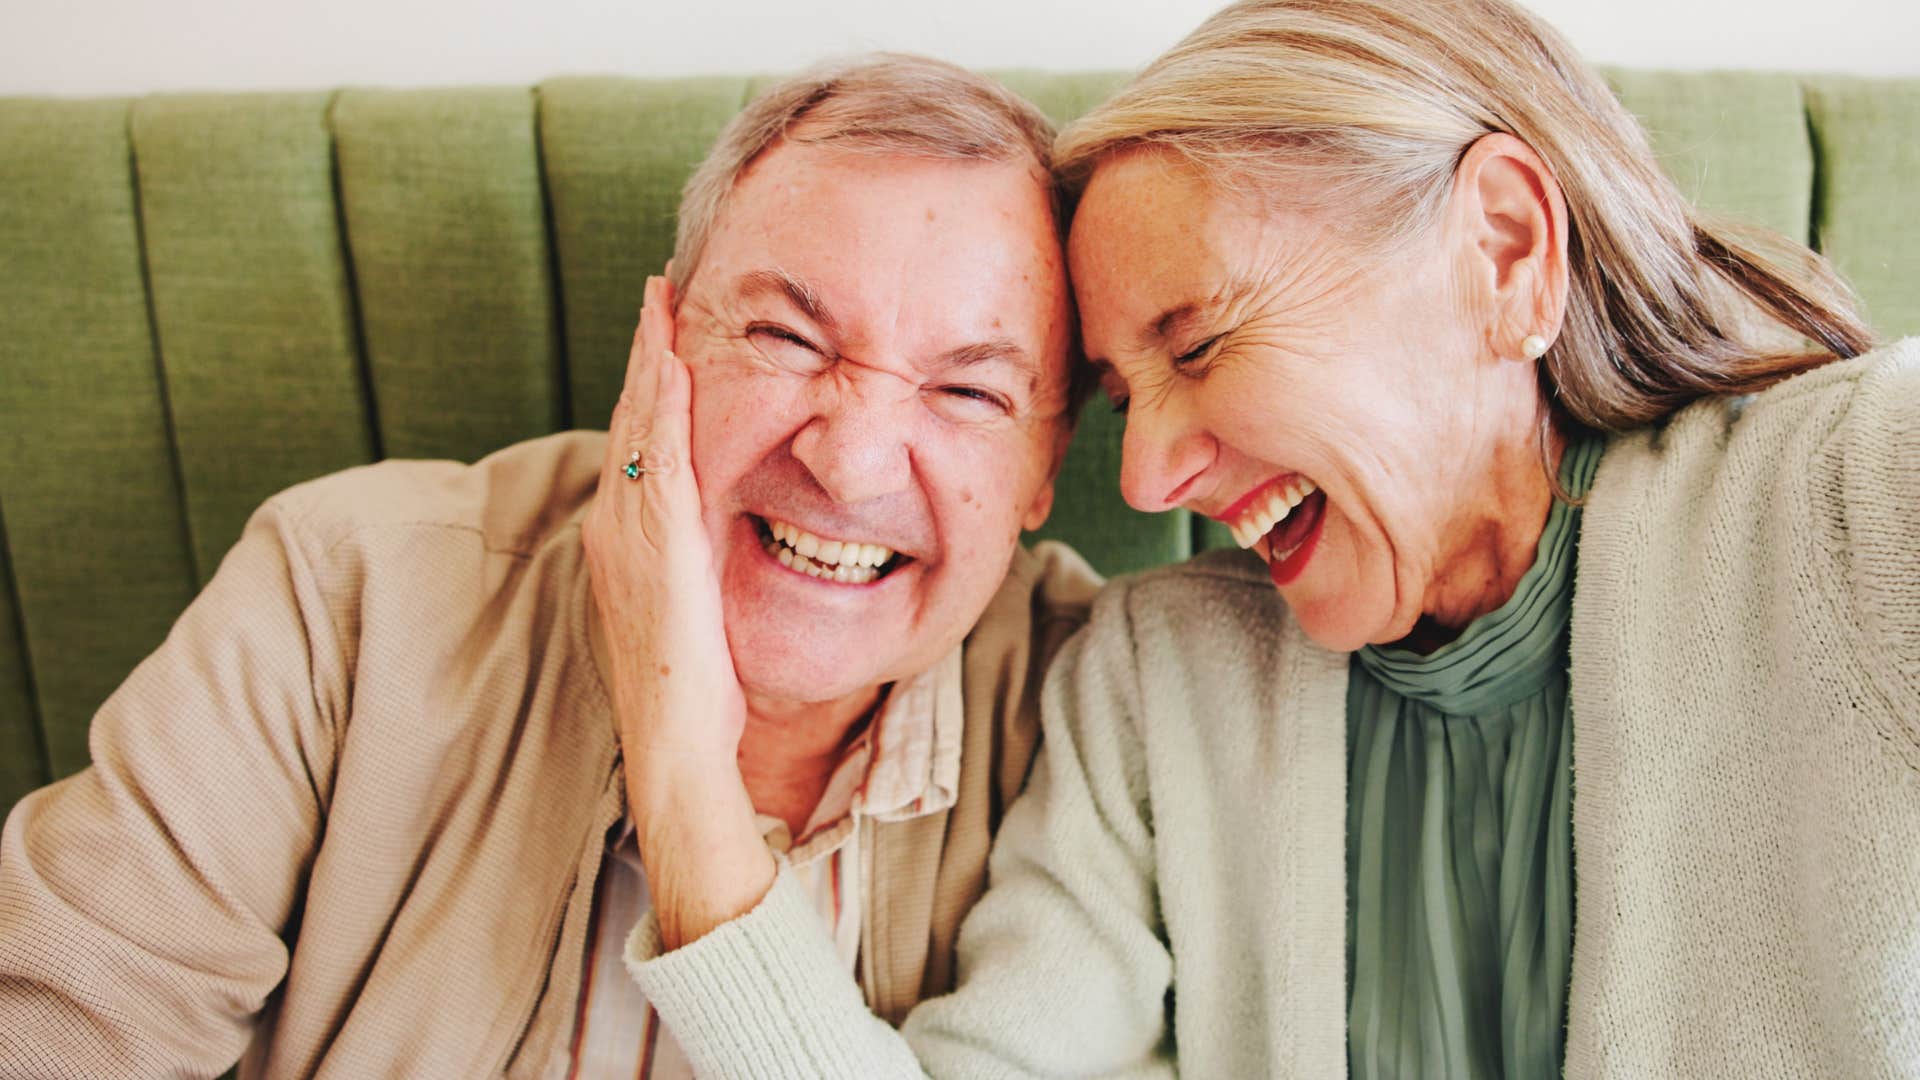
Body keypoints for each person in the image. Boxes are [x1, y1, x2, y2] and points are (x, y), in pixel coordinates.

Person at [608, 1, 1920, 1077]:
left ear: (1504, 250)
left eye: (1201, 343)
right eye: (1123, 396)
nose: (1146, 472)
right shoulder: (1155, 680)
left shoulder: (1855, 494)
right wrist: (679, 761)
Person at [0, 54, 1100, 1077]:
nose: (850, 463)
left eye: (970, 392)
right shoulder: (348, 593)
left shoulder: (1107, 722)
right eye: (786, 339)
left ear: (1043, 470)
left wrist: (679, 777)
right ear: (659, 345)